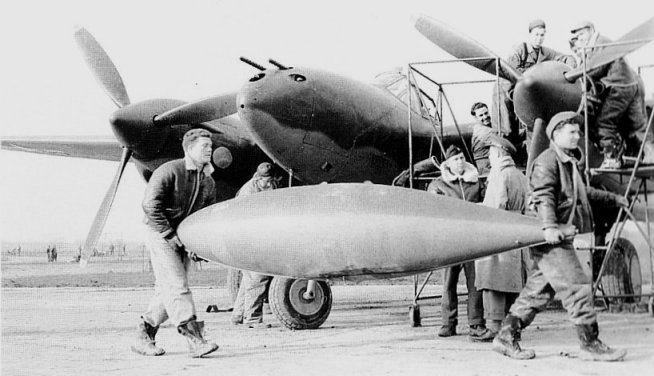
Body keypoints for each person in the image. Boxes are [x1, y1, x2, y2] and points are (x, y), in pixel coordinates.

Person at [492, 111, 628, 361]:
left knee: (539, 291)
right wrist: (550, 227)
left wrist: (614, 199)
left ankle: (505, 337)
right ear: (556, 134)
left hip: (556, 237)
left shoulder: (566, 162)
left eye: (578, 131)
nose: (578, 136)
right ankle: (590, 344)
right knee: (577, 287)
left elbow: (581, 192)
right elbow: (543, 195)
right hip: (552, 239)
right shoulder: (547, 162)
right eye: (572, 132)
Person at [132, 129, 219, 358]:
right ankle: (195, 339)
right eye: (204, 146)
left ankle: (144, 335)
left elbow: (204, 217)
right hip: (159, 232)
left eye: (211, 146)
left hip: (182, 236)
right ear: (189, 149)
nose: (209, 149)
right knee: (177, 284)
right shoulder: (169, 170)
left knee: (167, 290)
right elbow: (150, 205)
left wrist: (195, 245)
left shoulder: (208, 181)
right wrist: (169, 235)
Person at [571, 21, 651, 169]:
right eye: (577, 36)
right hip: (630, 84)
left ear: (590, 30)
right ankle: (647, 154)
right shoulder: (602, 42)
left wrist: (575, 79)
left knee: (604, 122)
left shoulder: (599, 44)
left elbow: (596, 68)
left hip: (617, 86)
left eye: (581, 34)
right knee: (635, 125)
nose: (579, 38)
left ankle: (612, 158)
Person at [427, 145, 487, 340]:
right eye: (455, 159)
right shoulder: (438, 185)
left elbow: (486, 205)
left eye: (462, 158)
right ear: (448, 164)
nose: (460, 162)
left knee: (475, 284)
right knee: (448, 283)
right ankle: (448, 323)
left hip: (472, 240)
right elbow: (432, 211)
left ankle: (476, 323)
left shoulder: (476, 182)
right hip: (450, 241)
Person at [474, 135, 530, 341]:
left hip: (499, 233)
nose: (488, 156)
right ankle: (513, 328)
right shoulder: (520, 175)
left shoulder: (499, 175)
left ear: (498, 153)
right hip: (518, 233)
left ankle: (494, 327)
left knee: (494, 281)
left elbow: (496, 207)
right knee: (514, 283)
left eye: (490, 152)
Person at [493, 19, 571, 140]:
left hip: (528, 89)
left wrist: (571, 65)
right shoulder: (519, 50)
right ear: (530, 35)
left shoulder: (545, 52)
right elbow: (512, 71)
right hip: (508, 88)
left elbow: (564, 58)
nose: (539, 38)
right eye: (536, 35)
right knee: (506, 126)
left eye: (542, 35)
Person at [231, 162, 279, 329]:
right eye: (265, 180)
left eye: (270, 180)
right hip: (247, 238)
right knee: (258, 276)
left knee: (248, 279)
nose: (268, 183)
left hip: (248, 238)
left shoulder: (265, 187)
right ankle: (252, 319)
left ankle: (238, 315)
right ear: (258, 178)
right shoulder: (248, 192)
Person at [470, 102, 496, 177]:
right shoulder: (481, 131)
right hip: (486, 168)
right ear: (475, 118)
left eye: (486, 113)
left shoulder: (488, 127)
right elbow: (503, 137)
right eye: (481, 115)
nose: (485, 117)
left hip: (492, 163)